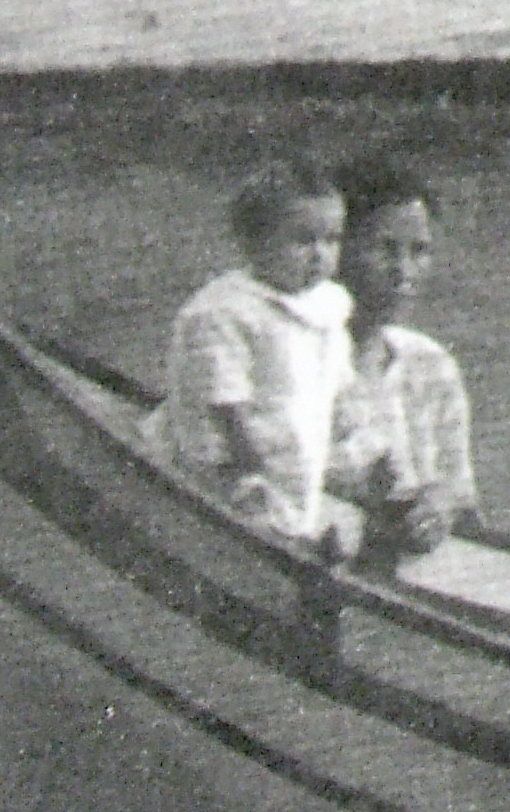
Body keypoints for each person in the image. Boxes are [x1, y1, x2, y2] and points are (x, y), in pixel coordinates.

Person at [147, 155, 358, 545]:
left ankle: (299, 533)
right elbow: (225, 404)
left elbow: (338, 381)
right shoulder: (226, 311)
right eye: (302, 240)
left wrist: (349, 427)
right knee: (251, 512)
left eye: (331, 240)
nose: (319, 255)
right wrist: (250, 469)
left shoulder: (326, 303)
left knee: (302, 495)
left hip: (292, 445)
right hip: (231, 458)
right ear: (254, 243)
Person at [328, 153, 477, 562]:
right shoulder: (300, 358)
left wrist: (441, 504)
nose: (404, 271)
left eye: (419, 251)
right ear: (338, 249)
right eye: (385, 249)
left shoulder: (430, 364)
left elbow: (457, 487)